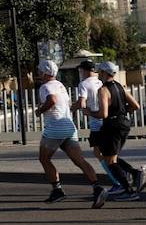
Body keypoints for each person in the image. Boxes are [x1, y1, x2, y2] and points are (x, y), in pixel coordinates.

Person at [35, 60, 107, 207]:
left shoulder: (45, 87)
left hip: (55, 127)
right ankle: (97, 187)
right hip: (69, 126)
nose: (38, 73)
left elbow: (52, 100)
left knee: (44, 158)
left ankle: (57, 190)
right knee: (79, 160)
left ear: (44, 73)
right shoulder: (60, 85)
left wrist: (40, 110)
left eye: (40, 71)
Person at [86, 61, 146, 200]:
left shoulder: (103, 90)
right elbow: (136, 105)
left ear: (103, 73)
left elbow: (104, 114)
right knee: (110, 156)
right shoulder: (120, 87)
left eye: (99, 72)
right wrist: (122, 111)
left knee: (110, 161)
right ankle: (134, 174)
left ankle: (129, 190)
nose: (97, 75)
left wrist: (89, 112)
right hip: (123, 124)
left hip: (112, 126)